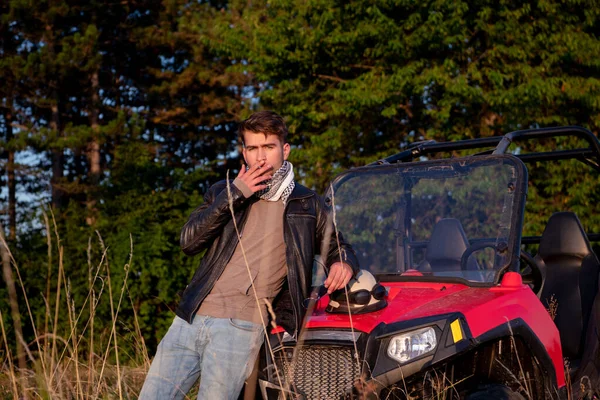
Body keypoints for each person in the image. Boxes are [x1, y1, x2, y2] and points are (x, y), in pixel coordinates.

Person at [139, 110, 359, 399]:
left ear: (285, 149)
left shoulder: (306, 203)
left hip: (241, 326)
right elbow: (189, 241)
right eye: (253, 148)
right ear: (244, 152)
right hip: (190, 317)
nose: (261, 157)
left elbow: (337, 245)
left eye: (269, 147)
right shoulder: (222, 190)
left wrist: (342, 262)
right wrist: (233, 195)